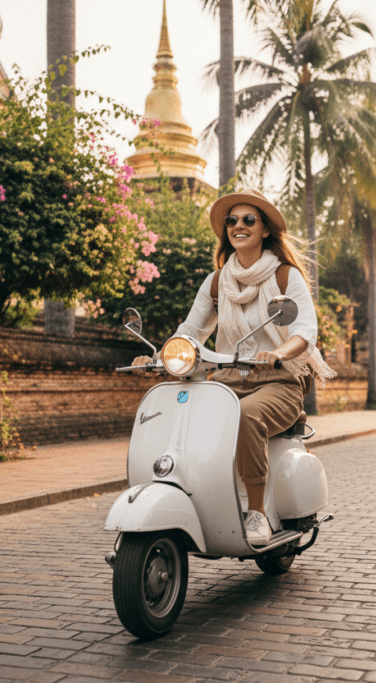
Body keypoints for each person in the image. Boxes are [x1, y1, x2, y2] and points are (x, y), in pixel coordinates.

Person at [132, 189, 335, 547]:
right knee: (185, 413)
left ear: (265, 230)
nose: (238, 226)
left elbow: (305, 330)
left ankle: (255, 511)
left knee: (244, 416)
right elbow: (191, 331)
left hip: (280, 380)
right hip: (227, 378)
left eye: (248, 220)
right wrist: (160, 355)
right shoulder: (216, 282)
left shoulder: (286, 277)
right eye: (232, 220)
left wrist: (279, 352)